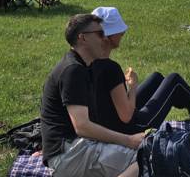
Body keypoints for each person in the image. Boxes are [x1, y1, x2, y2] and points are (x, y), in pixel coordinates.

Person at [40, 14, 142, 177]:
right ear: (83, 38)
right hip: (68, 155)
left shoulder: (82, 66)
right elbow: (82, 126)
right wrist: (128, 140)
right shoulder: (73, 70)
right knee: (147, 159)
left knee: (148, 154)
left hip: (72, 149)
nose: (105, 39)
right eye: (100, 34)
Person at [90, 7, 190, 136]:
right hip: (131, 128)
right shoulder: (111, 69)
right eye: (120, 30)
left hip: (109, 123)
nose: (123, 32)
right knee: (174, 81)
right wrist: (132, 87)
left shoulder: (90, 62)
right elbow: (127, 117)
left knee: (156, 78)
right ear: (107, 37)